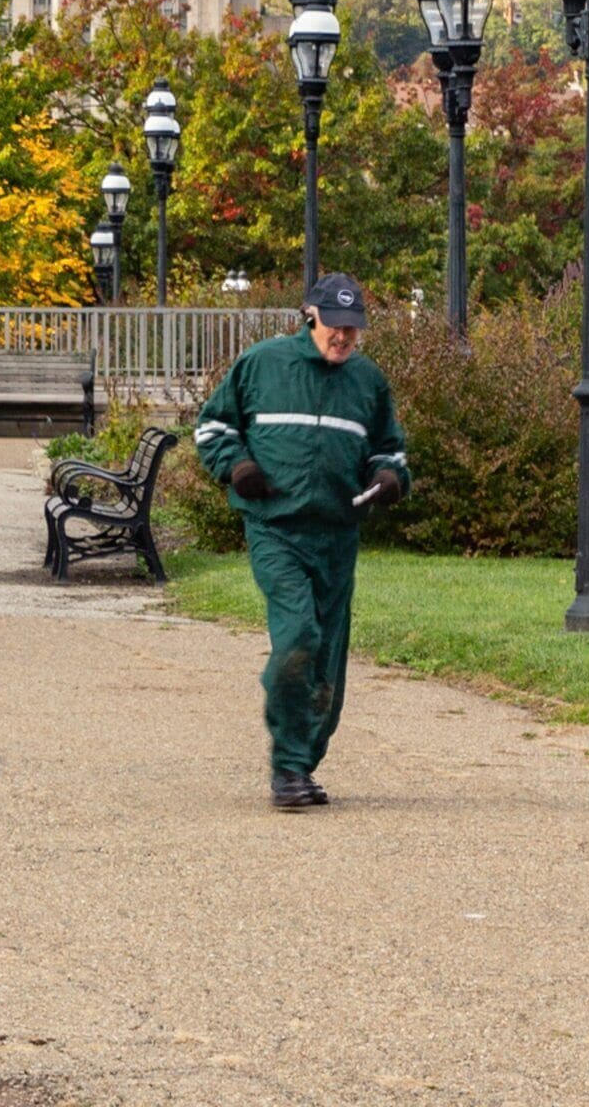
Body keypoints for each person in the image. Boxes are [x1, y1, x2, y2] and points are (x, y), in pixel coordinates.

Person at [190, 271, 409, 811]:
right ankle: (287, 765)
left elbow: (390, 448)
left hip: (337, 534)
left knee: (327, 663)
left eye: (353, 330)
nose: (344, 338)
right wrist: (237, 467)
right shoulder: (263, 364)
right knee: (298, 640)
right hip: (276, 528)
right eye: (335, 327)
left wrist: (388, 477)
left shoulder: (368, 381)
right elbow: (212, 427)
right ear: (309, 317)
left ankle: (302, 764)